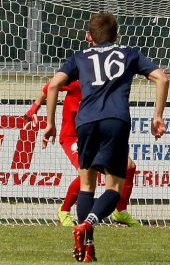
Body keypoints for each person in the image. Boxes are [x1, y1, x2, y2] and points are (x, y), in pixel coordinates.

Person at [42, 12, 169, 262]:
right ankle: (88, 223)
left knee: (87, 186)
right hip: (116, 121)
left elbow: (53, 85)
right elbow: (162, 78)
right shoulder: (129, 53)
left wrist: (49, 123)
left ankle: (86, 249)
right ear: (117, 35)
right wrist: (157, 116)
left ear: (90, 37)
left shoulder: (79, 57)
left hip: (86, 122)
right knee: (113, 187)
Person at [25, 79, 140, 227]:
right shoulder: (79, 79)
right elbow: (50, 86)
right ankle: (64, 210)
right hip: (72, 137)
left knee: (129, 166)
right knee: (87, 172)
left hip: (97, 136)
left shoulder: (109, 82)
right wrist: (35, 107)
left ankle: (120, 211)